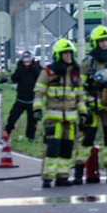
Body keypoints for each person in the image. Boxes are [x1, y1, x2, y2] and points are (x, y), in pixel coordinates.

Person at [33, 39, 86, 188]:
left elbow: (80, 96)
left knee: (67, 148)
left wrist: (83, 113)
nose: (68, 56)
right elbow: (39, 91)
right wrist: (37, 109)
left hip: (70, 119)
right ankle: (47, 178)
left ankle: (62, 177)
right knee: (52, 147)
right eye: (65, 53)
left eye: (70, 53)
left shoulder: (75, 73)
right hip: (53, 119)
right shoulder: (48, 72)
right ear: (57, 55)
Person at [76, 26, 107, 184]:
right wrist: (83, 108)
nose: (104, 44)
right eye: (101, 41)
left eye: (106, 41)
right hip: (92, 108)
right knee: (87, 140)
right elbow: (79, 88)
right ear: (94, 43)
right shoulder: (87, 64)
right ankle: (78, 173)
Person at [4, 51, 42, 143]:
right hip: (20, 99)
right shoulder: (20, 69)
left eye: (28, 62)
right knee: (12, 117)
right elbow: (14, 78)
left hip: (32, 100)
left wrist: (35, 68)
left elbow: (40, 77)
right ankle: (7, 133)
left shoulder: (37, 68)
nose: (27, 64)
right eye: (25, 62)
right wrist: (19, 69)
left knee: (32, 121)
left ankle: (30, 138)